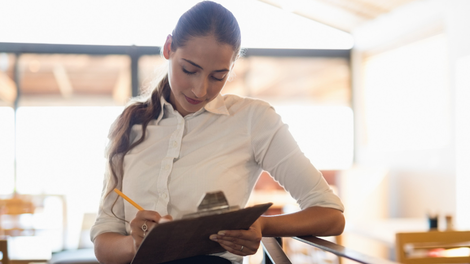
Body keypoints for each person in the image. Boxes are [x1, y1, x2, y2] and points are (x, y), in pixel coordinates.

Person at [91, 1, 345, 263]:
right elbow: (103, 241)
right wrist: (137, 245)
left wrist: (262, 225)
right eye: (189, 70)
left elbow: (330, 215)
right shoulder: (130, 124)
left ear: (232, 67)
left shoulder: (253, 121)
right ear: (168, 48)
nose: (200, 90)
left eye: (218, 76)